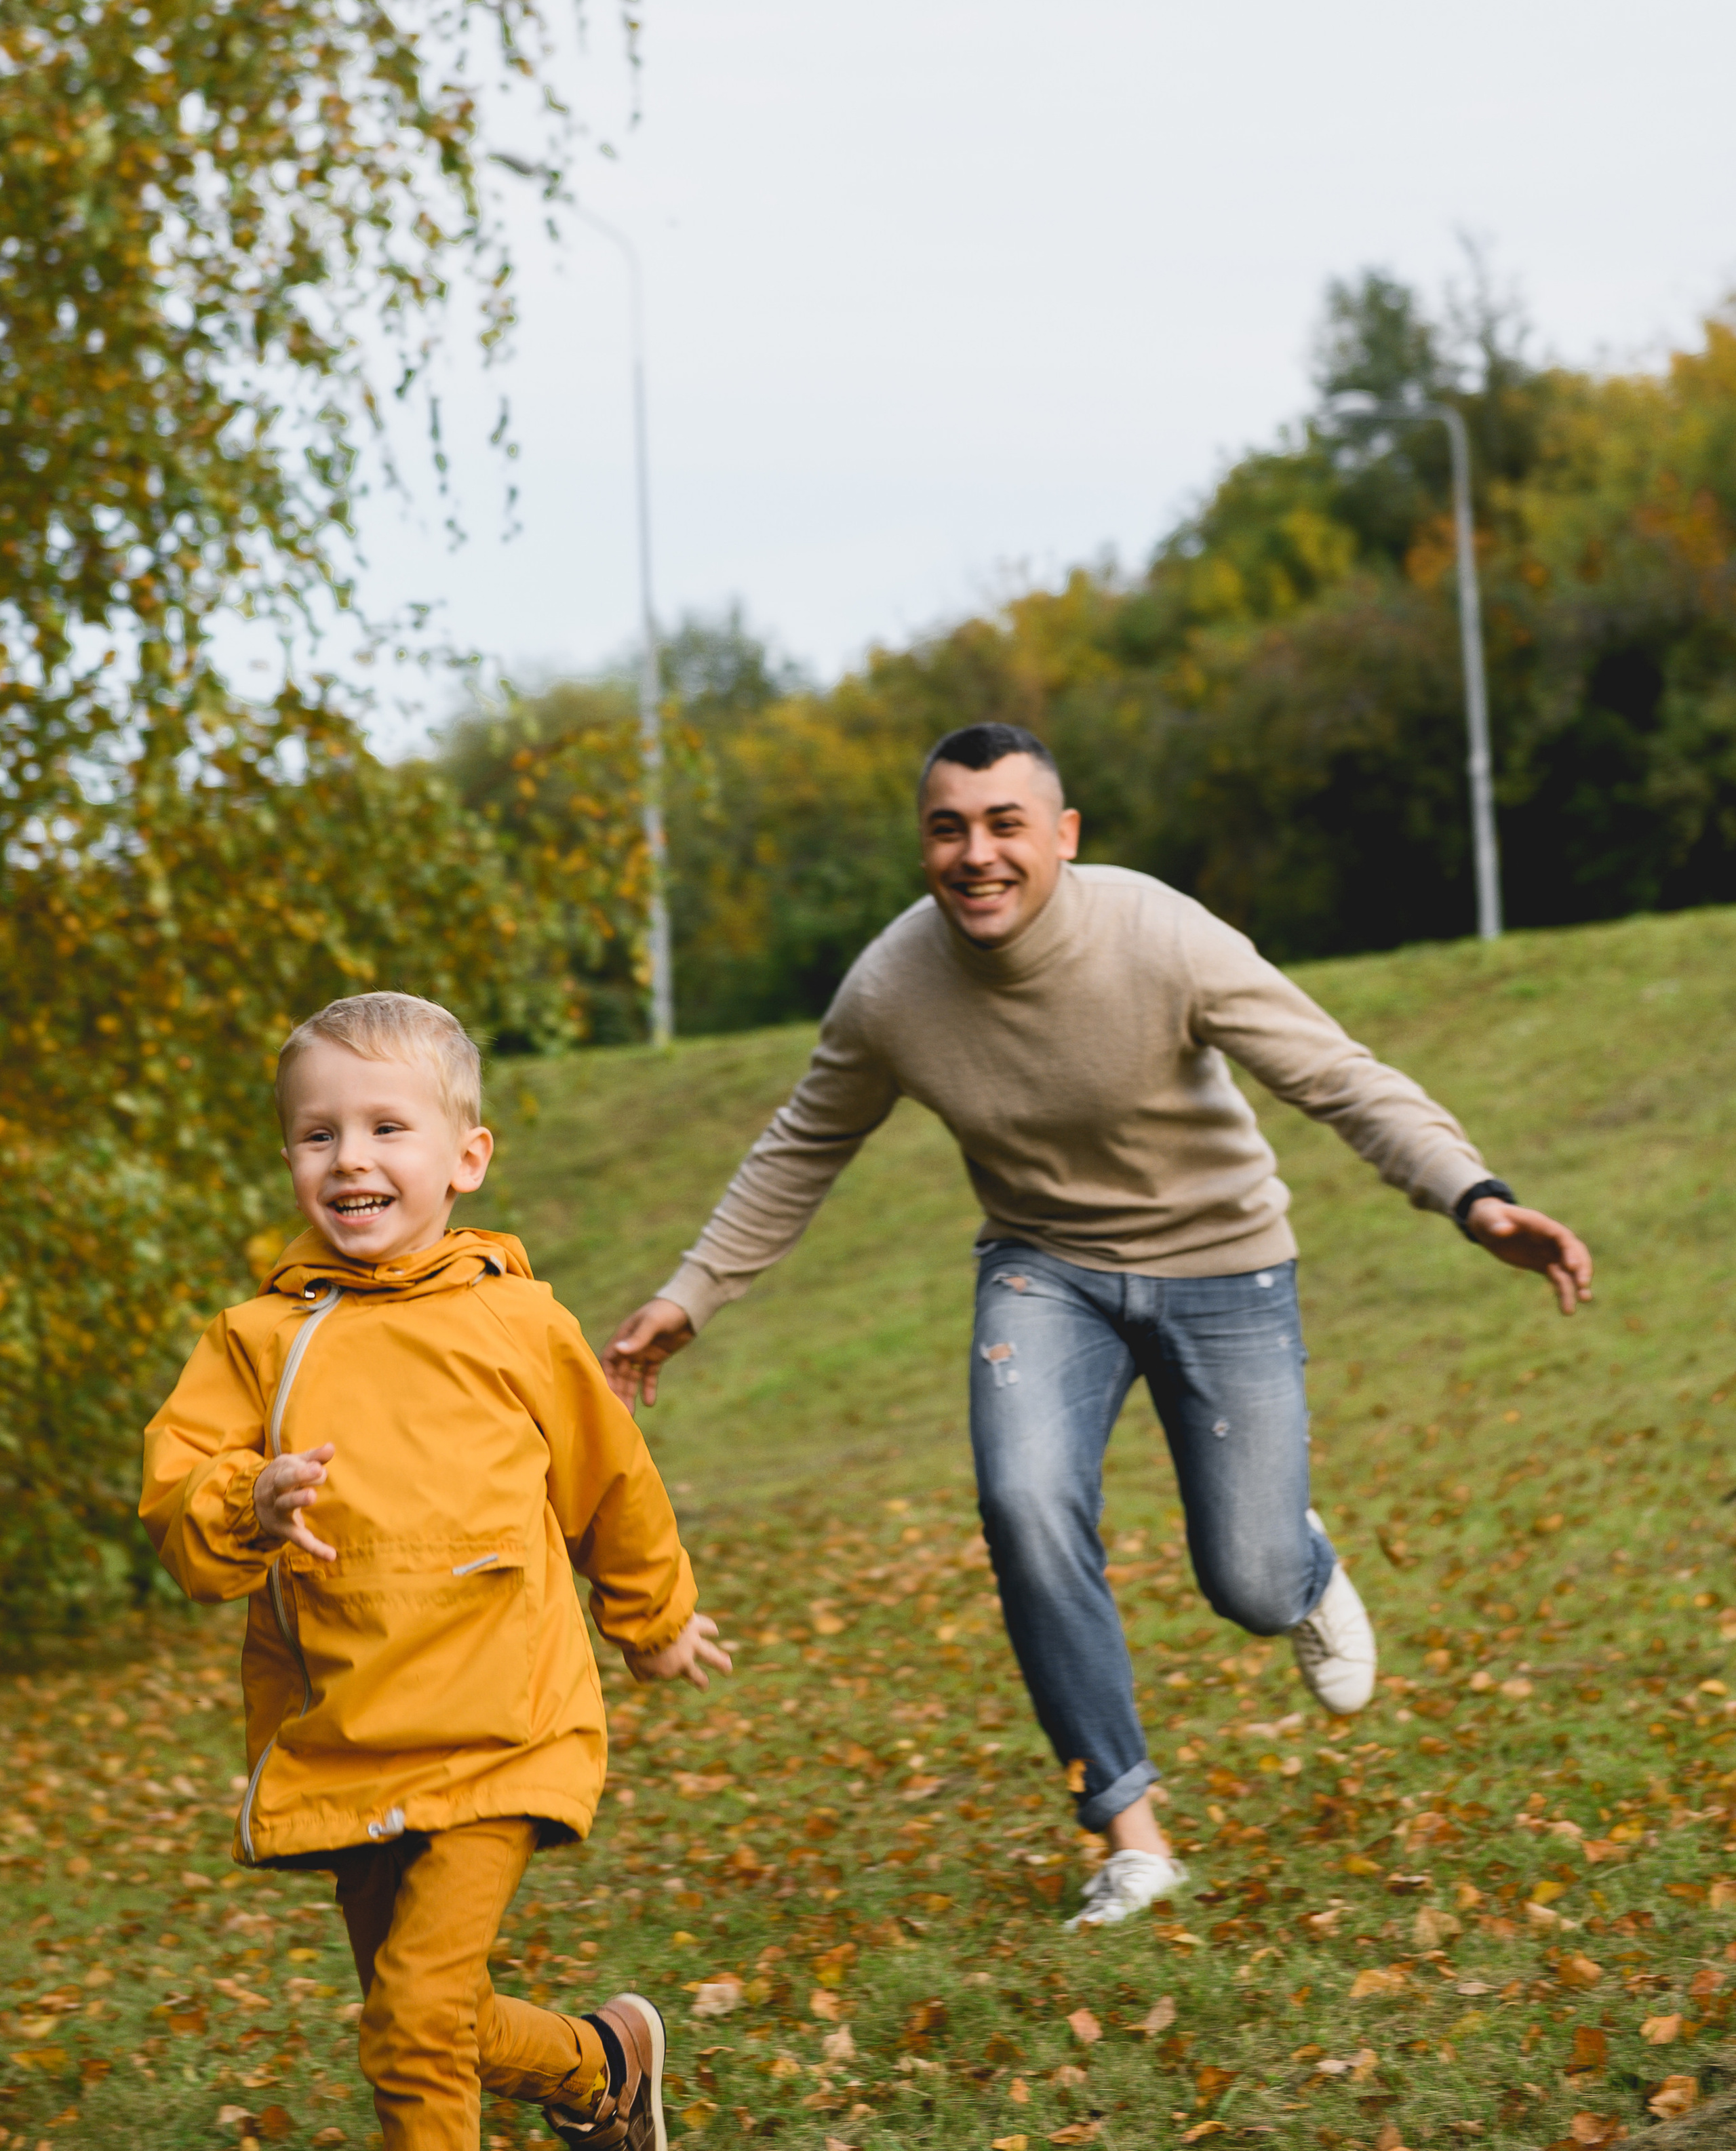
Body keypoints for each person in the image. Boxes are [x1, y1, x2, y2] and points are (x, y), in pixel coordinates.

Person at [601, 723, 1593, 1930]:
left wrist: (1472, 1195)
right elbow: (801, 1146)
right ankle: (1132, 1838)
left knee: (1249, 1575)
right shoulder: (893, 989)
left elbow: (1336, 1075)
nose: (977, 855)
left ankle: (1299, 1566)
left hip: (1226, 1263)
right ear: (925, 843)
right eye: (949, 828)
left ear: (1062, 837)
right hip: (1045, 1272)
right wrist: (691, 1292)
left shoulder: (1160, 936)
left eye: (1005, 825)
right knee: (1022, 1504)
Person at [141, 991, 728, 2151]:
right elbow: (178, 1499)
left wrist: (654, 1619)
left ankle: (596, 2072)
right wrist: (246, 1500)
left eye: (385, 1129)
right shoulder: (258, 1339)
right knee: (420, 2017)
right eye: (319, 1135)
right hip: (347, 1731)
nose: (350, 1158)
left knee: (413, 2026)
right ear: (291, 1158)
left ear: (467, 1157)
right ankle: (601, 2069)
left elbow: (612, 1480)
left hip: (503, 1722)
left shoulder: (518, 1323)